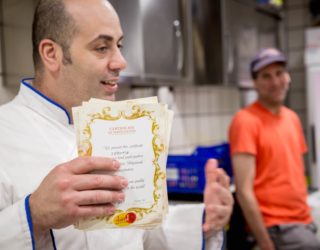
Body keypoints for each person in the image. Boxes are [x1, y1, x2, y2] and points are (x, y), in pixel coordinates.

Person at [0, 0, 233, 249]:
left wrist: (203, 221)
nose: (121, 62)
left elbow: (140, 232)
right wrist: (34, 215)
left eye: (119, 45)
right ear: (51, 54)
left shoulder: (120, 128)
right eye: (102, 47)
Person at [229, 48, 320, 250]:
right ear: (255, 83)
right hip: (275, 226)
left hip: (302, 219)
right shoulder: (245, 121)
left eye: (279, 73)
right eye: (266, 76)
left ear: (287, 76)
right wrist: (265, 244)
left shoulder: (292, 118)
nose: (275, 82)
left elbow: (292, 173)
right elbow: (244, 191)